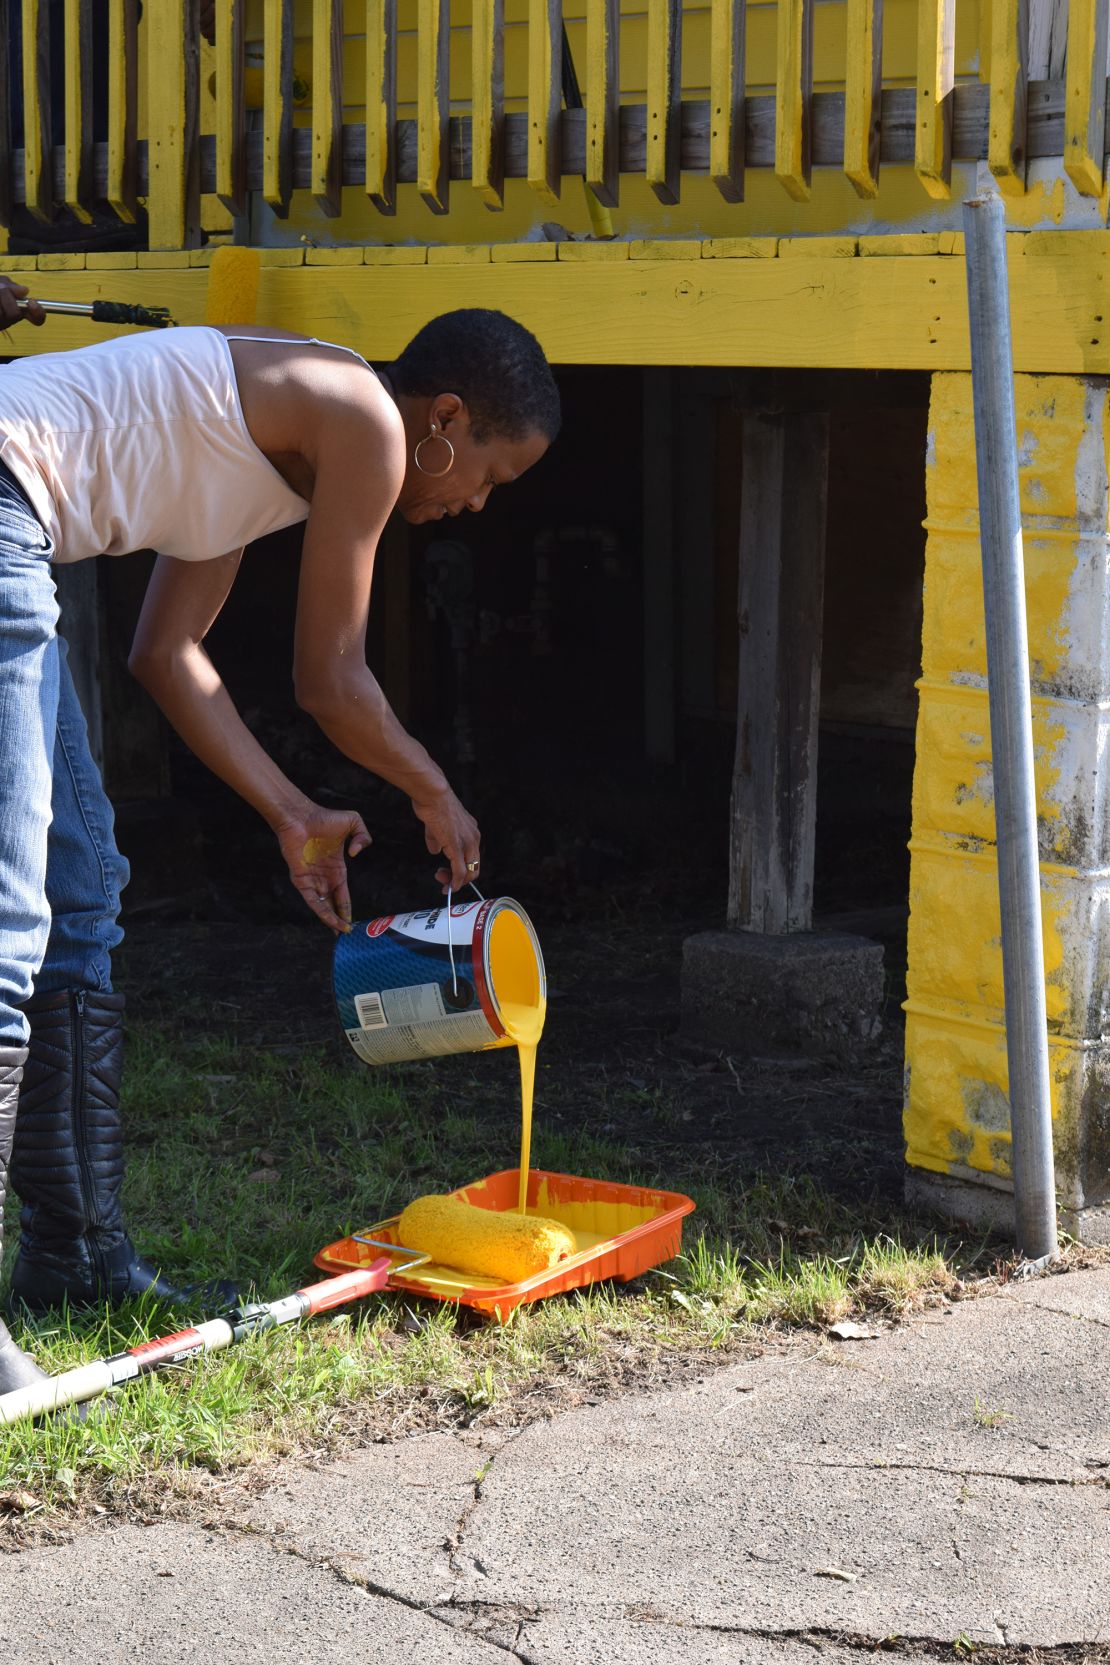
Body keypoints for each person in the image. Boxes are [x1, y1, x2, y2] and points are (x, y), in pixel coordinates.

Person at [0, 280, 560, 1392]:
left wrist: (293, 813)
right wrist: (433, 791)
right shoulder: (357, 418)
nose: (482, 504)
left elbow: (168, 655)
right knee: (13, 916)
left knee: (83, 887)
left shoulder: (279, 452)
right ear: (443, 420)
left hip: (18, 530)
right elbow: (331, 679)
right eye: (492, 473)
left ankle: (73, 1257)